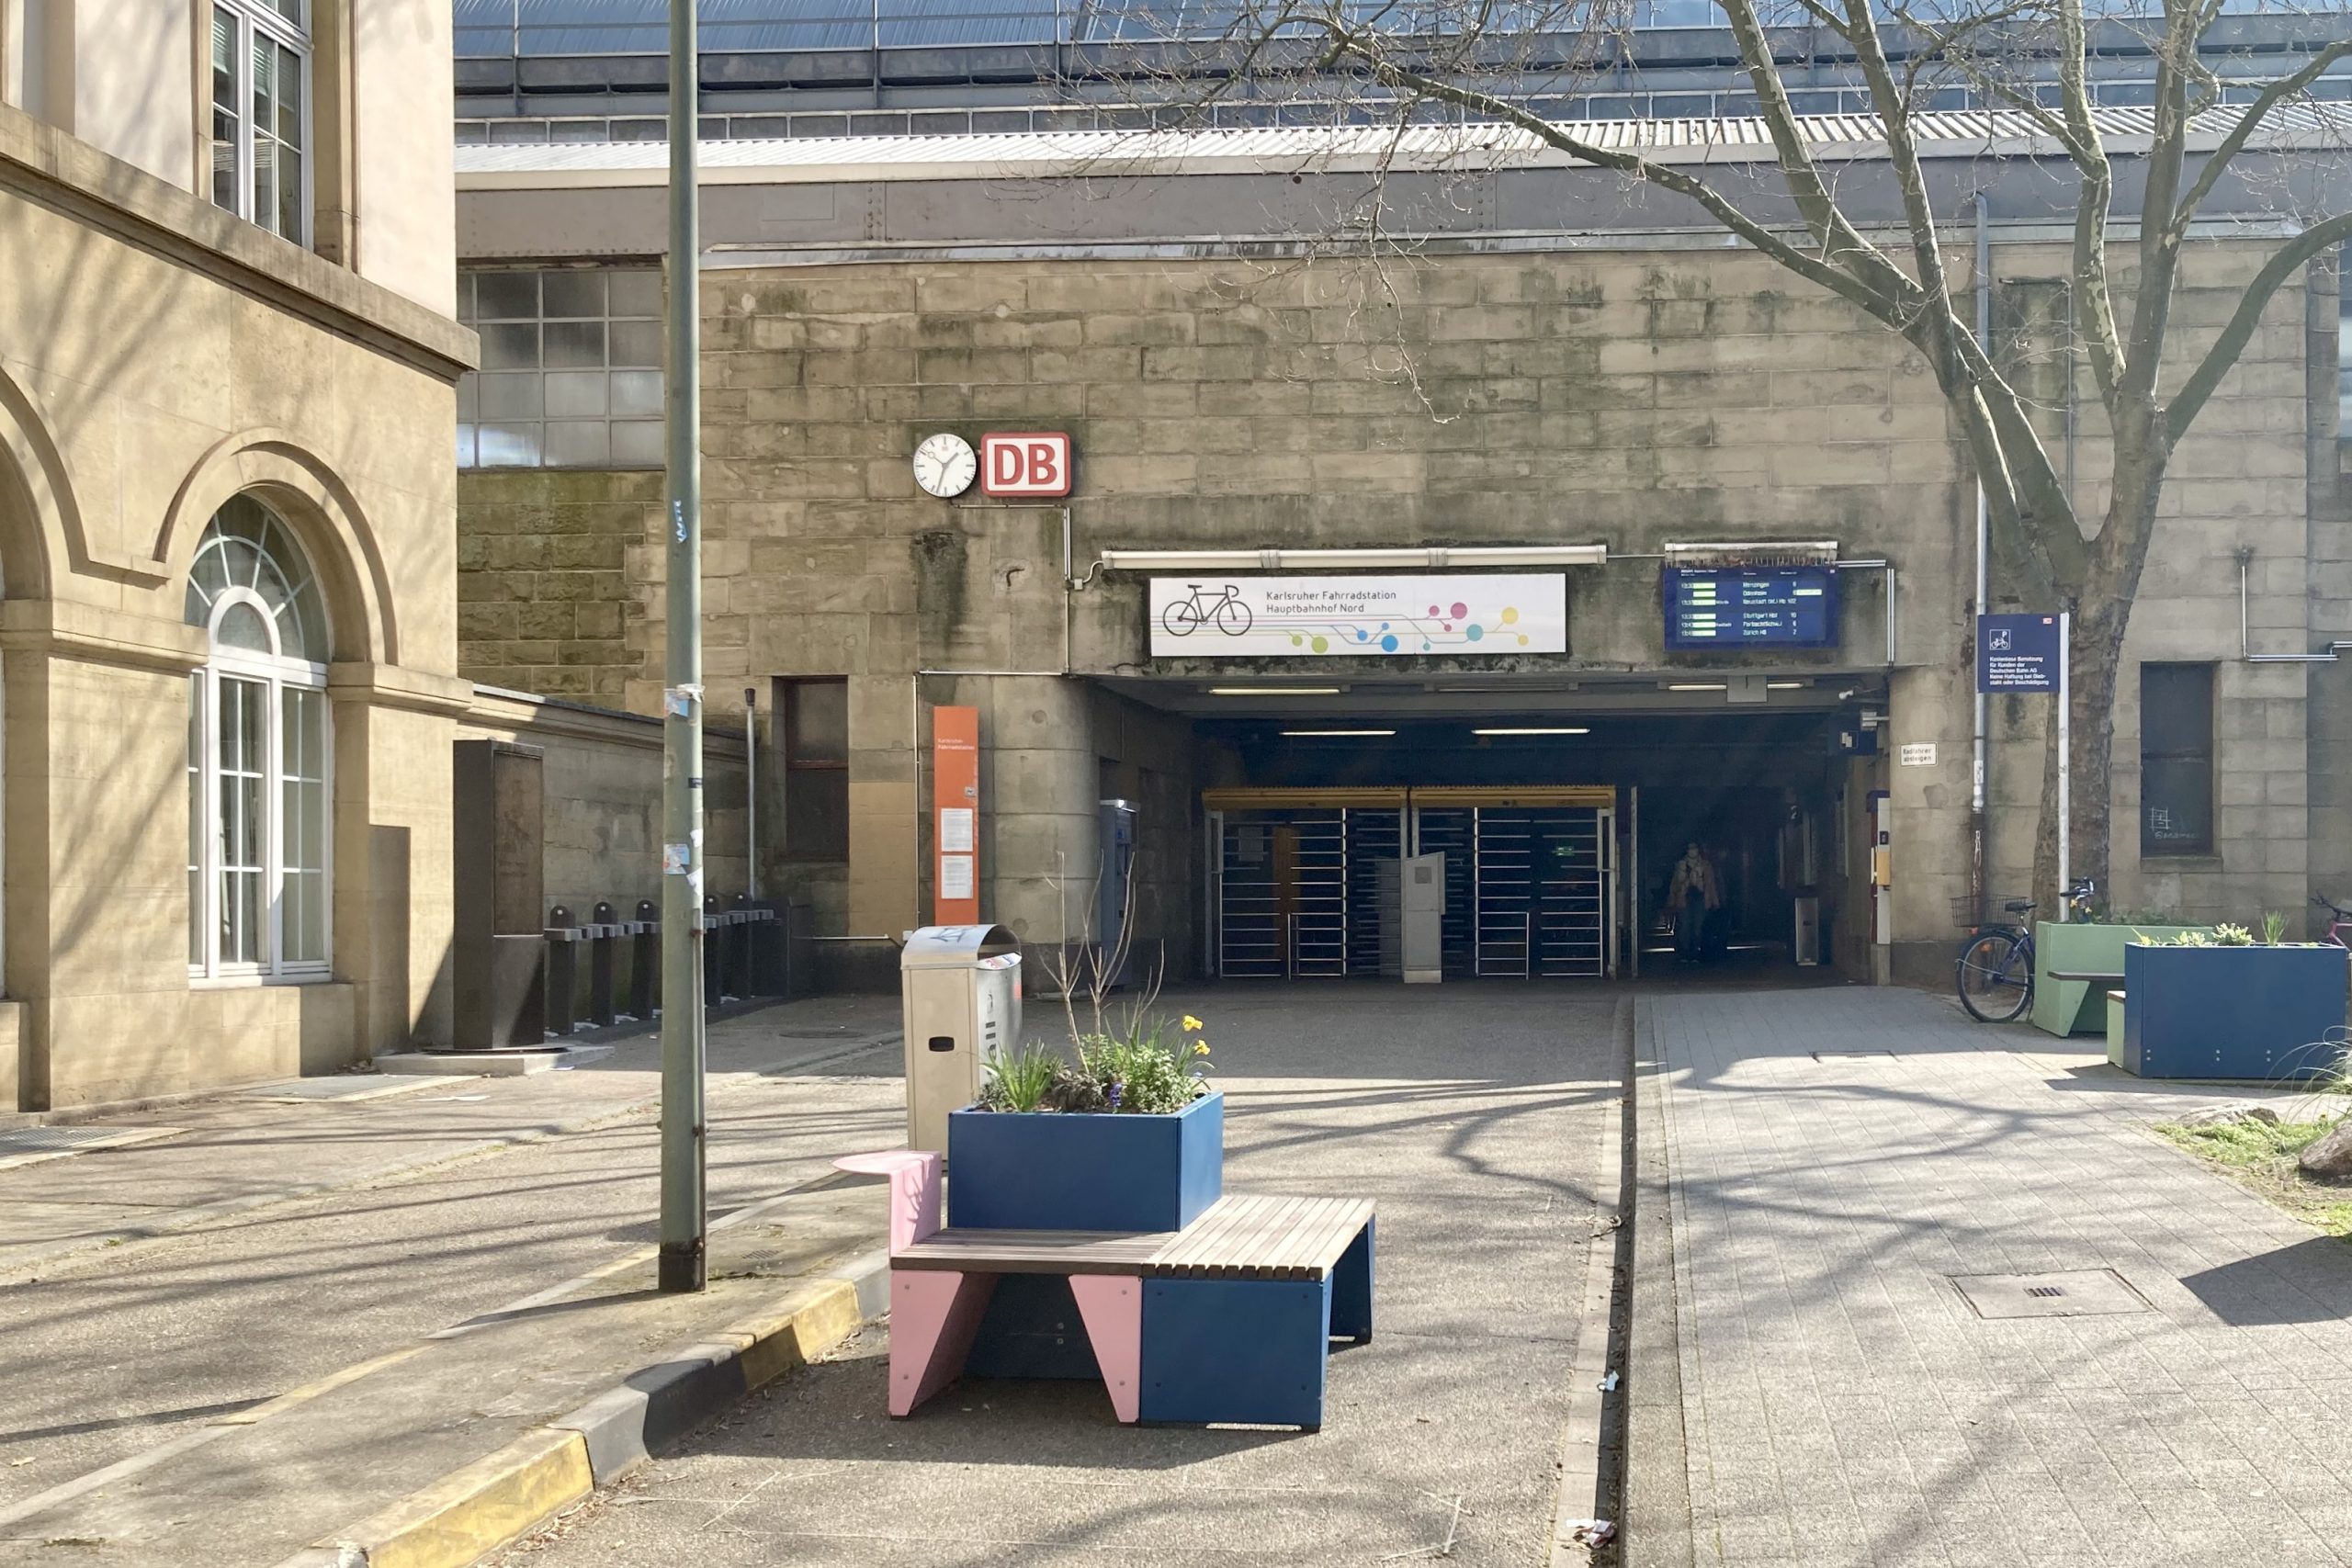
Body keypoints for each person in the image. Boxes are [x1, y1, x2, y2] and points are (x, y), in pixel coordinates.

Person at [1668, 842, 1723, 963]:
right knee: (1685, 926)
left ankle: (1696, 951)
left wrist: (1715, 901)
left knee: (1699, 926)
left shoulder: (1706, 865)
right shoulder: (1680, 865)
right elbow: (1674, 884)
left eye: (1695, 849)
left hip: (1701, 899)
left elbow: (1711, 884)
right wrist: (1672, 901)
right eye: (1690, 849)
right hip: (1684, 900)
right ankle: (1685, 952)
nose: (1693, 851)